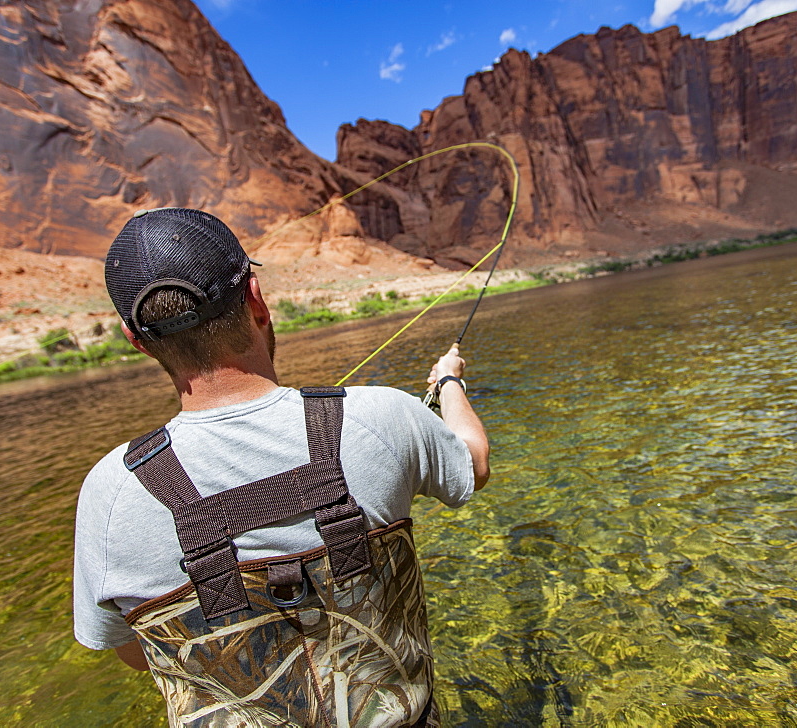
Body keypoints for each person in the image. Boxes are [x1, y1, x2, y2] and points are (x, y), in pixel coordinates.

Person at [73, 207, 490, 726]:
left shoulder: (107, 493)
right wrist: (449, 382)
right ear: (256, 301)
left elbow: (136, 653)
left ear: (137, 340)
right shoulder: (381, 415)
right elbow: (471, 463)